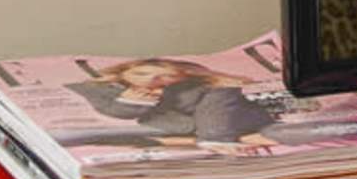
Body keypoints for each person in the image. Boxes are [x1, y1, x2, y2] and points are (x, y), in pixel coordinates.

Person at [73, 57, 277, 148]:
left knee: (222, 94)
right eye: (140, 73)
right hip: (165, 133)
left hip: (229, 125)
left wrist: (216, 138)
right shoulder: (103, 89)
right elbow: (113, 111)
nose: (152, 79)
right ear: (122, 73)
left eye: (167, 76)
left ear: (182, 77)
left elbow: (220, 107)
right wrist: (130, 101)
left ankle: (219, 138)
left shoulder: (199, 88)